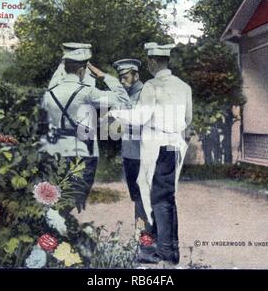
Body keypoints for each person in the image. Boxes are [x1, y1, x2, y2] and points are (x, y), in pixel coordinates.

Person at [110, 43, 192, 264]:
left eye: (149, 62)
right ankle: (170, 250)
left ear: (152, 62)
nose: (148, 65)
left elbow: (139, 118)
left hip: (154, 146)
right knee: (166, 197)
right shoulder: (184, 86)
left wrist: (115, 113)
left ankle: (159, 251)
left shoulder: (150, 86)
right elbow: (187, 119)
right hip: (174, 144)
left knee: (154, 199)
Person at [40, 46, 130, 213]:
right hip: (82, 152)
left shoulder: (48, 94)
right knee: (75, 199)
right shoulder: (87, 92)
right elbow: (124, 101)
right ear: (82, 70)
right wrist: (105, 77)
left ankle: (55, 232)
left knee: (54, 198)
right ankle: (62, 230)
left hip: (53, 151)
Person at [112, 58, 155, 253]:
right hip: (130, 153)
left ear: (136, 75)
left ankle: (146, 240)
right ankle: (144, 237)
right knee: (137, 197)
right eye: (120, 78)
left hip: (143, 153)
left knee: (143, 197)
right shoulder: (126, 95)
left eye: (125, 77)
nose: (122, 81)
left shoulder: (145, 94)